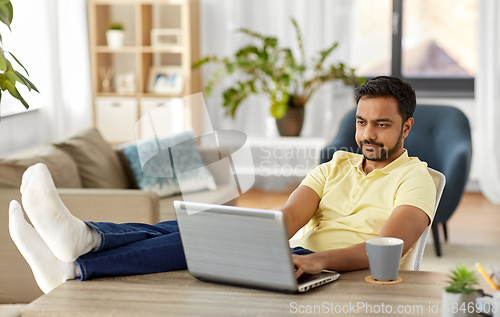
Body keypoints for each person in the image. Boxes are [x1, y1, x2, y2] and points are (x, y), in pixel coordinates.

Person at [9, 76, 436, 294]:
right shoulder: (335, 164)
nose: (368, 135)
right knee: (197, 227)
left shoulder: (415, 177)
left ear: (406, 126)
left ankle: (82, 252)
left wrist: (316, 262)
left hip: (335, 272)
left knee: (205, 235)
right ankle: (80, 251)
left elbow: (386, 249)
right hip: (298, 256)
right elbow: (287, 218)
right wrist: (257, 236)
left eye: (382, 125)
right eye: (362, 122)